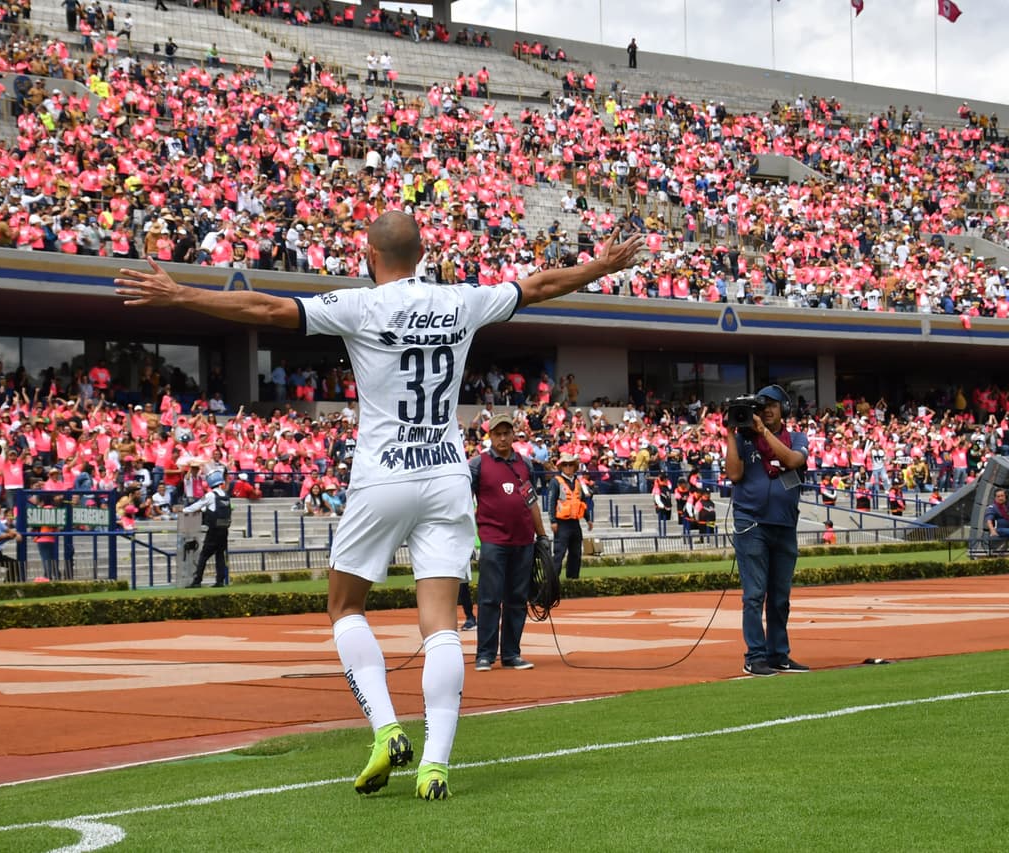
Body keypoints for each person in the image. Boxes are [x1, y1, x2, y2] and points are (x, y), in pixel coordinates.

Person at [115, 210, 643, 801]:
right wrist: (601, 265)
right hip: (446, 474)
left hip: (382, 475)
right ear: (422, 254)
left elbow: (265, 310)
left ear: (369, 255)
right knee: (441, 624)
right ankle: (436, 766)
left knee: (345, 606)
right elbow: (540, 285)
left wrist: (180, 293)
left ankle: (387, 726)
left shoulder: (359, 305)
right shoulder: (461, 301)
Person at [723, 385, 810, 677]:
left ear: (784, 408)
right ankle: (755, 656)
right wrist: (730, 434)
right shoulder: (743, 439)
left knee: (780, 596)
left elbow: (792, 461)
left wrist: (764, 433)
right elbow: (734, 474)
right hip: (752, 524)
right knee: (754, 594)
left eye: (772, 405)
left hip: (785, 524)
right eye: (761, 407)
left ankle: (778, 654)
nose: (766, 411)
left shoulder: (797, 438)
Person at [470, 413, 546, 672]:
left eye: (507, 433)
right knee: (489, 598)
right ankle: (485, 654)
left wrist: (543, 536)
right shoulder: (477, 465)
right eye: (497, 434)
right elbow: (462, 501)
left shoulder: (524, 464)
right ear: (490, 436)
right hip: (493, 540)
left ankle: (511, 653)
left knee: (516, 599)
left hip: (524, 540)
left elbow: (531, 500)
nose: (502, 438)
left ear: (513, 435)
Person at [183, 469, 232, 587]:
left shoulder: (210, 495)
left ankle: (197, 581)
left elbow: (197, 506)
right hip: (224, 529)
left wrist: (183, 510)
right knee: (220, 554)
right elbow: (211, 508)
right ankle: (220, 581)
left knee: (204, 555)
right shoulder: (225, 495)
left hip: (214, 530)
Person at [546, 453, 585, 579]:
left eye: (570, 465)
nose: (568, 467)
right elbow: (551, 502)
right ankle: (552, 581)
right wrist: (552, 521)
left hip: (575, 522)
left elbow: (582, 502)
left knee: (576, 553)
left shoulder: (577, 482)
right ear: (561, 467)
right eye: (565, 465)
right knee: (559, 553)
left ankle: (573, 579)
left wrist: (588, 519)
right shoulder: (555, 482)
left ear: (574, 467)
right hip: (561, 523)